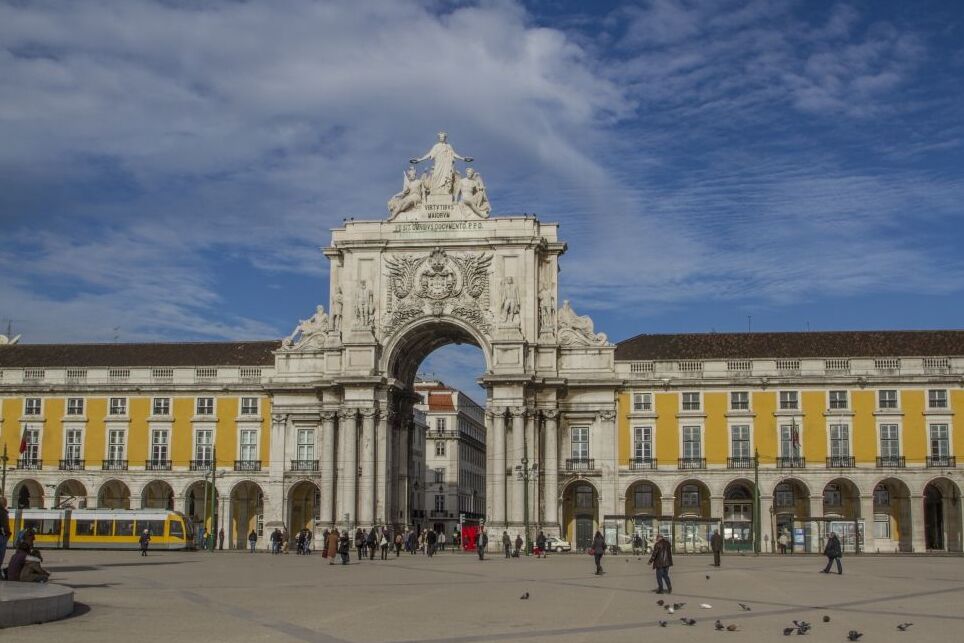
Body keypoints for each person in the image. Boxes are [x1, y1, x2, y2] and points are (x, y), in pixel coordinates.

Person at [0, 497, 10, 572]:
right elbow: (4, 525)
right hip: (1, 536)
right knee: (1, 554)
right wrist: (6, 534)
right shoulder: (3, 512)